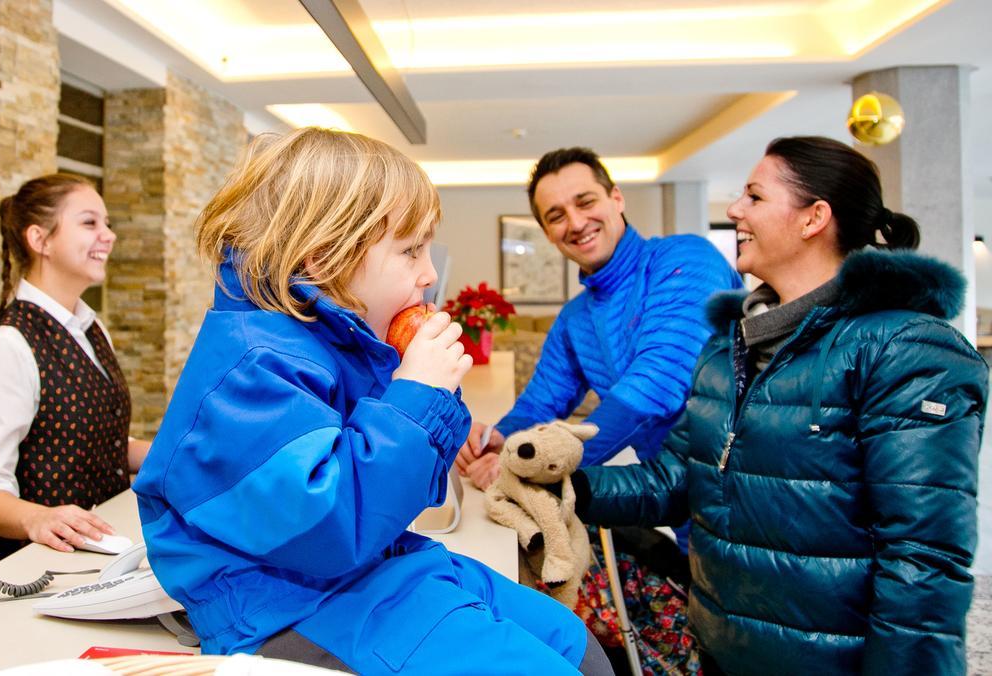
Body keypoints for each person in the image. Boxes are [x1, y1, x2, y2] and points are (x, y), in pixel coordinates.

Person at [133, 128, 611, 675]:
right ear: (323, 256)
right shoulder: (252, 366)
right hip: (285, 607)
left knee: (575, 644)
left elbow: (406, 493)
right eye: (410, 251)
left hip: (365, 567)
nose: (430, 274)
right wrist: (417, 393)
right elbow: (327, 526)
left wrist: (429, 394)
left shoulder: (341, 339)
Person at [572, 136, 986, 674]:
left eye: (754, 197)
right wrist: (566, 486)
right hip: (724, 646)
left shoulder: (906, 350)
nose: (734, 210)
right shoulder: (727, 350)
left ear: (814, 217)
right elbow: (675, 480)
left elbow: (922, 564)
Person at [458, 148, 740, 502]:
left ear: (616, 198)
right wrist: (499, 440)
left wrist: (537, 463)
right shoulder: (574, 319)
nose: (575, 224)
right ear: (547, 233)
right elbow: (539, 406)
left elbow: (655, 386)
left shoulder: (686, 258)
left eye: (585, 201)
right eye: (556, 216)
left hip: (750, 491)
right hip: (674, 497)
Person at [0, 174, 151, 564]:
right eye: (90, 223)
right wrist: (38, 518)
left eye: (107, 224)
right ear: (39, 240)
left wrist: (176, 454)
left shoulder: (91, 329)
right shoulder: (4, 346)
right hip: (39, 567)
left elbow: (91, 440)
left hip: (106, 552)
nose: (108, 235)